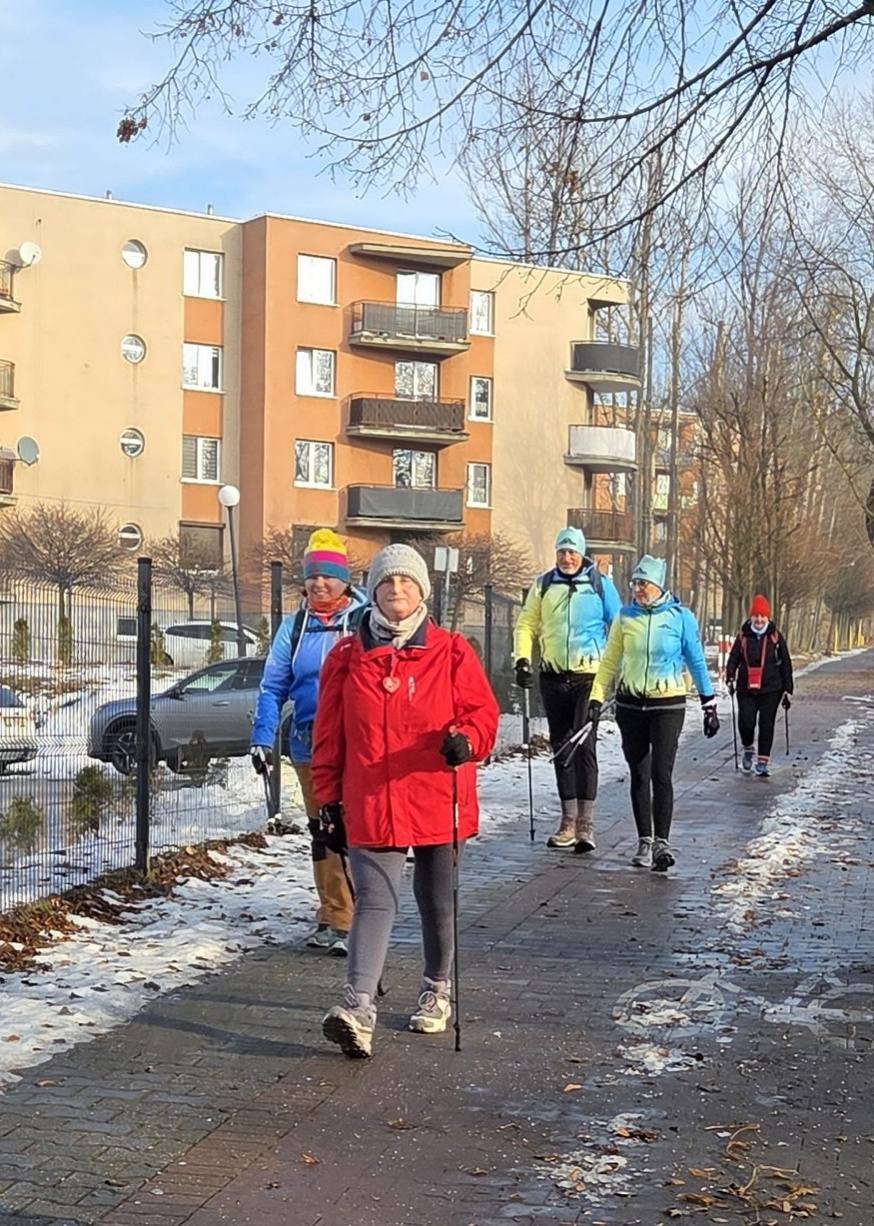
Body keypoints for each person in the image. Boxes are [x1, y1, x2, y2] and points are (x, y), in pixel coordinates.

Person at [311, 544, 499, 1059]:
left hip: (438, 793)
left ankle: (437, 989)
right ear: (372, 592)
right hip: (371, 795)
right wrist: (326, 800)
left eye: (407, 583)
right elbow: (327, 736)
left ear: (422, 592)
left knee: (437, 901)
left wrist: (468, 739)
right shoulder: (346, 658)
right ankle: (357, 1008)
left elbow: (484, 713)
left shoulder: (453, 651)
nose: (396, 592)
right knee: (374, 900)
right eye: (387, 583)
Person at [250, 529, 368, 955]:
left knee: (351, 825)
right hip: (307, 739)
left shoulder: (364, 618)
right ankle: (333, 912)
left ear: (344, 579)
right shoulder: (294, 626)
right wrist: (262, 736)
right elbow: (272, 684)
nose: (320, 584)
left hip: (355, 739)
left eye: (329, 577)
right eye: (313, 577)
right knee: (322, 828)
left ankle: (356, 918)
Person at [588, 555, 719, 872]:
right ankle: (644, 840)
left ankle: (662, 842)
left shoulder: (680, 617)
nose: (637, 589)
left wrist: (709, 703)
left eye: (642, 583)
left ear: (658, 585)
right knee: (639, 773)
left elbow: (696, 660)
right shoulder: (624, 618)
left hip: (667, 704)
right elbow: (610, 661)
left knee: (661, 772)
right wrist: (596, 697)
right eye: (634, 583)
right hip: (631, 705)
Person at [513, 526, 620, 853]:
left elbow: (619, 626)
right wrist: (522, 660)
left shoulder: (600, 585)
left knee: (583, 746)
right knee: (561, 747)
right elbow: (527, 623)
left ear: (582, 553)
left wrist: (618, 669)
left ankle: (586, 823)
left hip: (590, 676)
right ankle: (568, 820)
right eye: (562, 551)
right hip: (553, 675)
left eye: (572, 551)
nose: (567, 557)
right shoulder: (544, 585)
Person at [725, 594, 793, 777]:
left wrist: (788, 688)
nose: (759, 619)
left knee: (766, 723)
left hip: (772, 688)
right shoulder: (743, 636)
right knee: (746, 722)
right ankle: (748, 748)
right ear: (751, 617)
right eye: (756, 615)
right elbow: (733, 658)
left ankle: (763, 762)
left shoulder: (776, 637)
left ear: (768, 617)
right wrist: (730, 676)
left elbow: (786, 662)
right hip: (746, 687)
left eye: (763, 616)